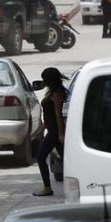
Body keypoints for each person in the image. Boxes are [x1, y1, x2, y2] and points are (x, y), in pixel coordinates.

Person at [33, 67, 68, 197]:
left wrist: (60, 134)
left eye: (45, 79)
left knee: (41, 157)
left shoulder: (56, 93)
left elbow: (58, 114)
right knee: (66, 159)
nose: (43, 82)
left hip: (55, 131)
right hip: (51, 129)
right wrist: (41, 130)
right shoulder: (51, 92)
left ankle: (47, 187)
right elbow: (48, 115)